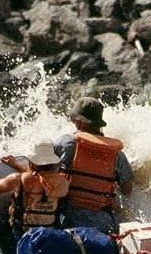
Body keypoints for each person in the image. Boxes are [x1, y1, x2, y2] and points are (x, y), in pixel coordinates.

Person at [54, 97, 134, 235]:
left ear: (81, 122)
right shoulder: (117, 155)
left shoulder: (66, 143)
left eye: (74, 118)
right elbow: (127, 189)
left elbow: (45, 172)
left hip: (68, 221)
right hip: (104, 225)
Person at [0, 140, 69, 245]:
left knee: (2, 223)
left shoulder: (18, 179)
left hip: (21, 237)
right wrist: (16, 165)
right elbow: (41, 179)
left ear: (32, 162)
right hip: (47, 237)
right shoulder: (63, 183)